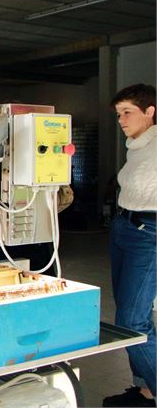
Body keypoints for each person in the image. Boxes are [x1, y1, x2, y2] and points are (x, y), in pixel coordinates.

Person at [103, 84, 156, 407]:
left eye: (128, 112)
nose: (121, 119)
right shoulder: (135, 146)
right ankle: (145, 389)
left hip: (148, 232)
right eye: (118, 114)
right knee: (130, 317)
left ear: (150, 111)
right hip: (124, 227)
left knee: (131, 321)